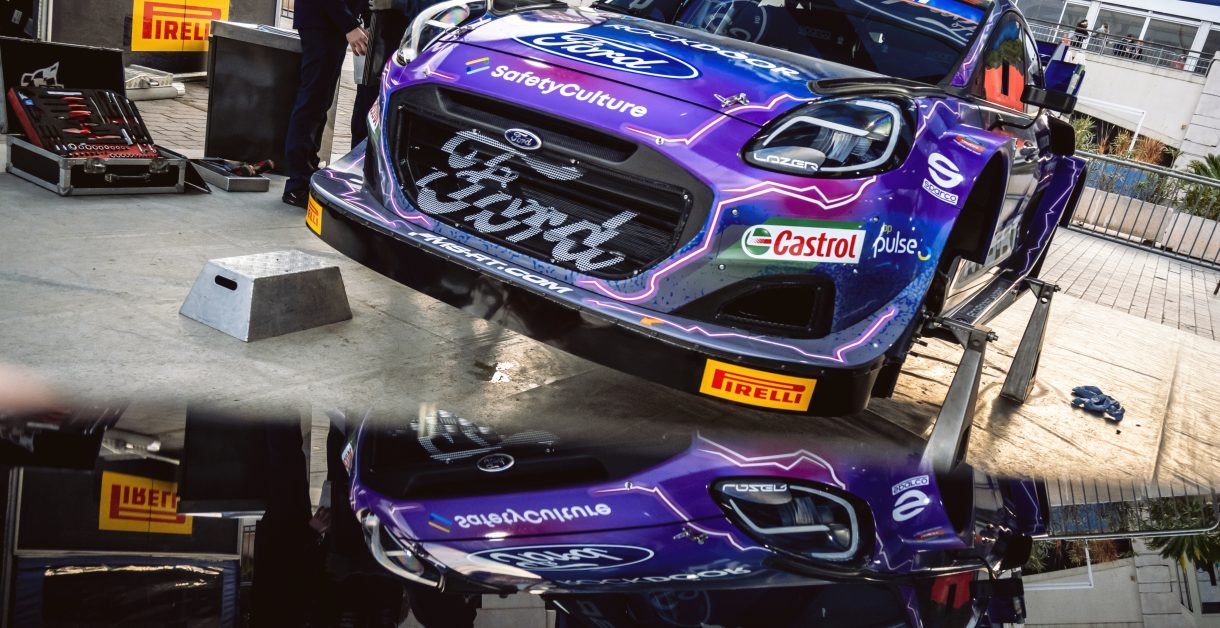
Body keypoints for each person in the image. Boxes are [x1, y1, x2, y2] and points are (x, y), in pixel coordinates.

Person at [282, 0, 369, 208]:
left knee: (320, 102)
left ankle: (306, 172)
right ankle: (297, 184)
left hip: (330, 21)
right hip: (323, 20)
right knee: (312, 101)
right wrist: (349, 24)